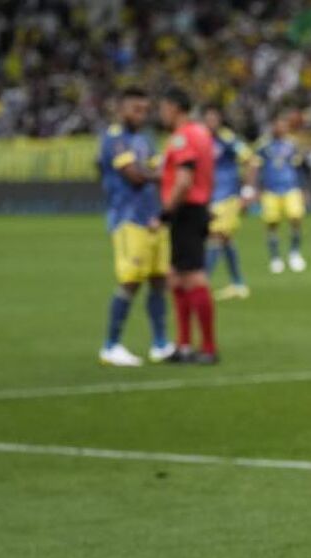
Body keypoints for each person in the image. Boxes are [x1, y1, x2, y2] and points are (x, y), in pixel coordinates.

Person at [97, 87, 173, 366]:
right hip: (128, 218)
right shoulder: (114, 138)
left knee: (158, 280)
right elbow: (135, 176)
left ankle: (160, 343)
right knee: (130, 281)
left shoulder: (145, 138)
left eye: (144, 109)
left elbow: (153, 171)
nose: (140, 115)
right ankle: (111, 345)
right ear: (121, 109)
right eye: (135, 109)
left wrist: (158, 173)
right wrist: (161, 172)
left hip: (152, 217)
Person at [158, 87, 218, 364]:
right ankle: (183, 344)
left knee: (193, 276)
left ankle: (207, 348)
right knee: (176, 276)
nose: (161, 113)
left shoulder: (183, 136)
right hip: (198, 207)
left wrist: (166, 212)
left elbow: (184, 178)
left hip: (186, 209)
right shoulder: (203, 133)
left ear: (173, 107)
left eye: (163, 107)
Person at [203, 105, 255, 299]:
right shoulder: (201, 139)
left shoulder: (228, 138)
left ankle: (202, 283)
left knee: (215, 236)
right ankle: (238, 283)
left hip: (227, 196)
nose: (211, 123)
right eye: (208, 119)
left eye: (214, 119)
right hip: (210, 196)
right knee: (225, 239)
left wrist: (248, 190)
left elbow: (251, 160)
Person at [255, 112, 309, 274]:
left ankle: (294, 253)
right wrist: (254, 188)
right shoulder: (263, 146)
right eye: (278, 125)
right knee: (272, 223)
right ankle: (275, 258)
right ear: (273, 126)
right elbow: (255, 167)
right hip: (270, 190)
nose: (281, 128)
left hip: (291, 187)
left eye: (283, 125)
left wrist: (304, 189)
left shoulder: (292, 145)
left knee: (296, 218)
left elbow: (299, 168)